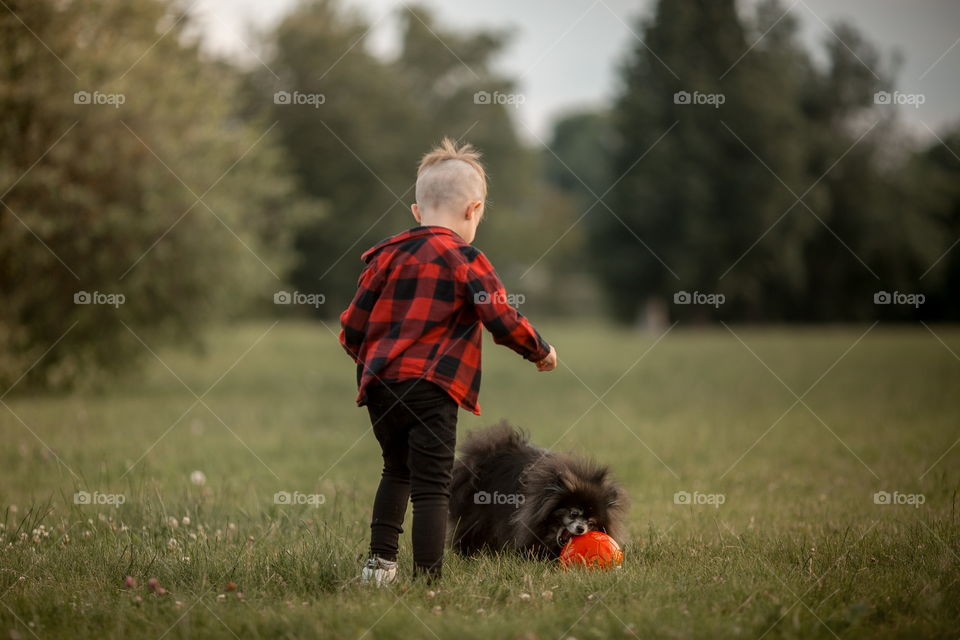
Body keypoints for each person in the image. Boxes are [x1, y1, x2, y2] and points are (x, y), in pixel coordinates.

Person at [339, 137, 557, 584]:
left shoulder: (384, 256)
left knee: (395, 470)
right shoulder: (467, 259)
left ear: (418, 212)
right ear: (473, 210)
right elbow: (500, 317)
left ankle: (378, 567)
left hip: (381, 386)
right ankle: (429, 579)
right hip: (434, 387)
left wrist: (375, 361)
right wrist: (539, 349)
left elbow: (351, 327)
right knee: (432, 486)